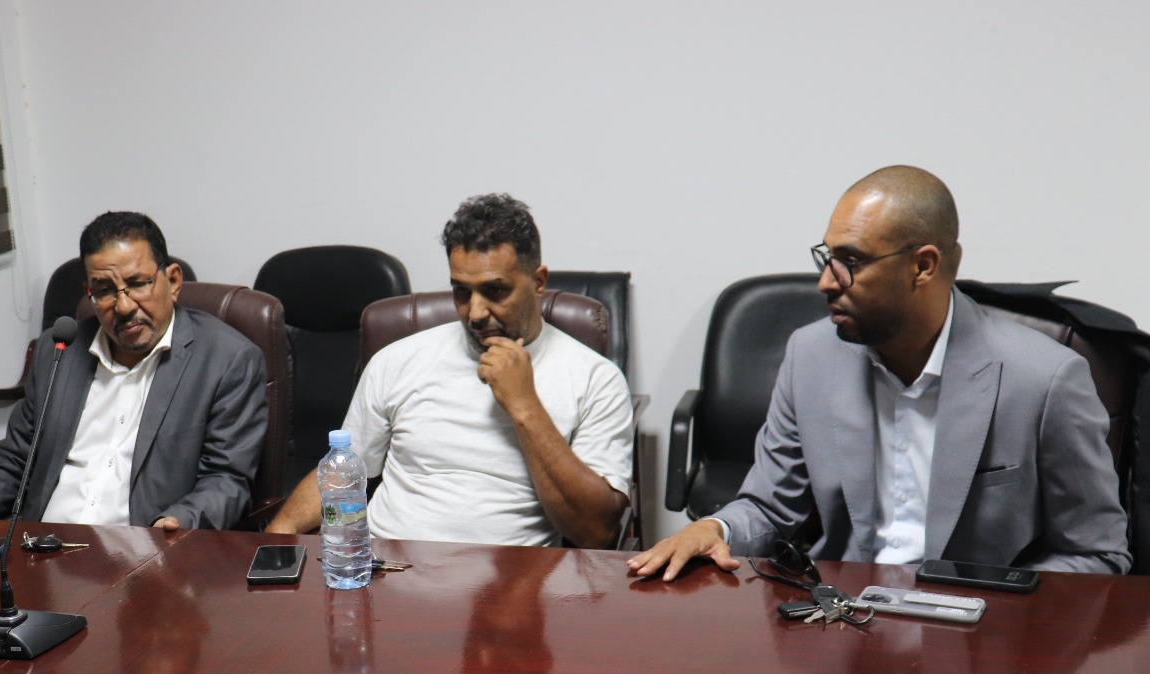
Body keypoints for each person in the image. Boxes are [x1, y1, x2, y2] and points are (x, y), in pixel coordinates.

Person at [630, 166, 1129, 580]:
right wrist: (714, 529)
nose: (826, 282)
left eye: (850, 261)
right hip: (842, 624)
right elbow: (769, 507)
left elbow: (1097, 553)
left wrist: (1002, 614)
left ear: (923, 266)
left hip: (979, 637)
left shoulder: (1043, 379)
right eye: (827, 257)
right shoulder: (811, 356)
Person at [266, 193, 633, 548]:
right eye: (461, 291)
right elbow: (344, 472)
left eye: (495, 291)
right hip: (389, 566)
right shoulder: (398, 360)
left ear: (538, 282)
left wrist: (525, 406)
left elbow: (596, 533)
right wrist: (279, 534)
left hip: (509, 579)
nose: (475, 313)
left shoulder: (594, 379)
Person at [0, 211, 266, 530]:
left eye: (138, 284)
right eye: (105, 290)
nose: (123, 306)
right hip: (41, 547)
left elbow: (226, 480)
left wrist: (177, 523)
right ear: (89, 292)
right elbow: (14, 460)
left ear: (173, 281)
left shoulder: (227, 360)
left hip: (142, 549)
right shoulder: (59, 352)